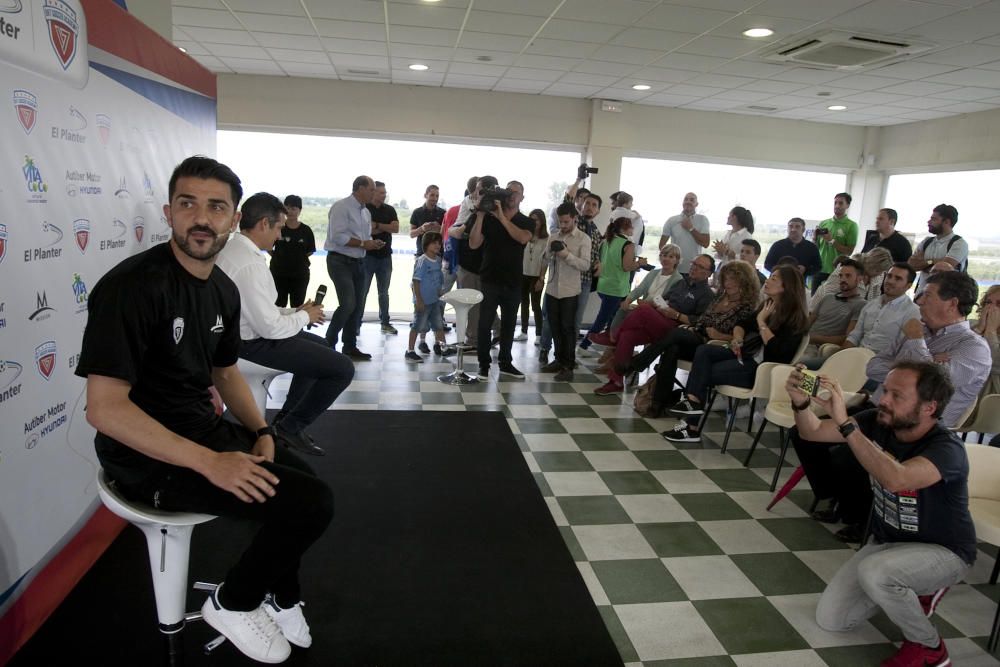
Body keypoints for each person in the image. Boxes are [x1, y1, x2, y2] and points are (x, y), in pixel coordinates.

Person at [76, 156, 333, 663]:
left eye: (216, 207)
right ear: (169, 212)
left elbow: (224, 372)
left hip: (201, 431)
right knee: (308, 504)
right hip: (143, 457)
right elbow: (104, 410)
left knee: (301, 485)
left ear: (234, 220)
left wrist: (261, 429)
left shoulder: (220, 288)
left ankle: (279, 596)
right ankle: (232, 602)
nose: (201, 218)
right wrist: (210, 462)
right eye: (188, 203)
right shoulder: (132, 287)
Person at [787, 360, 975, 667]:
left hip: (945, 551)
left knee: (877, 572)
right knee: (832, 619)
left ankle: (929, 648)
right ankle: (912, 589)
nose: (883, 400)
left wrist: (847, 424)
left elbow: (896, 478)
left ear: (929, 407)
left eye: (896, 395)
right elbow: (813, 432)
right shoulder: (878, 421)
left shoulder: (946, 449)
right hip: (888, 543)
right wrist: (801, 402)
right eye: (885, 390)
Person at [797, 270, 991, 542]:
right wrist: (928, 359)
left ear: (952, 303)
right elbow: (874, 365)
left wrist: (915, 343)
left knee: (846, 454)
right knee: (805, 433)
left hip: (918, 428)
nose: (920, 300)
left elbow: (929, 385)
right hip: (882, 412)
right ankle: (838, 496)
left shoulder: (972, 347)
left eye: (928, 294)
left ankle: (862, 516)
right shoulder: (919, 329)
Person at [217, 192, 355, 457]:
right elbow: (269, 328)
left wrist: (294, 310)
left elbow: (259, 308)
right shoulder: (249, 265)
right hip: (247, 344)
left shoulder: (237, 250)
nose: (280, 235)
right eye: (279, 227)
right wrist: (305, 317)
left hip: (246, 334)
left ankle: (283, 423)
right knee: (341, 369)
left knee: (323, 346)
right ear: (263, 225)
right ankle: (291, 426)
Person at [662, 264, 809, 443]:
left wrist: (762, 322)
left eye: (774, 278)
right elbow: (743, 324)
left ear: (786, 287)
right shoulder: (768, 305)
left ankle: (691, 425)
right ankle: (692, 408)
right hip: (747, 357)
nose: (768, 281)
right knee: (704, 351)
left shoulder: (795, 318)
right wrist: (737, 338)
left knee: (703, 371)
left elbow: (778, 354)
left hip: (761, 371)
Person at [607, 260, 759, 400]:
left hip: (712, 344)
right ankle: (658, 402)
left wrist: (720, 335)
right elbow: (702, 320)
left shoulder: (746, 307)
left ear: (744, 282)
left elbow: (744, 337)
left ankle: (639, 362)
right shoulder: (719, 298)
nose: (728, 283)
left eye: (733, 279)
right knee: (672, 347)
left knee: (673, 332)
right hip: (695, 334)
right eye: (726, 278)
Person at [598, 254, 715, 382]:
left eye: (700, 266)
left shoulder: (707, 294)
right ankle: (616, 381)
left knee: (643, 310)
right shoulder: (682, 282)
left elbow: (699, 322)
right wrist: (652, 304)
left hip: (676, 328)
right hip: (661, 319)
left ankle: (613, 338)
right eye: (694, 264)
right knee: (628, 335)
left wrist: (676, 315)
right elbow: (664, 298)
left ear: (708, 273)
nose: (694, 268)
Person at [469, 180, 534, 378]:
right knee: (484, 323)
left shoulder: (526, 221)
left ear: (522, 197)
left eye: (517, 192)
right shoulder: (488, 218)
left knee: (508, 324)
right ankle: (484, 365)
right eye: (509, 192)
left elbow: (522, 238)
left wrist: (502, 218)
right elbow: (473, 244)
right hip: (489, 278)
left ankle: (505, 363)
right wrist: (480, 215)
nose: (512, 195)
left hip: (513, 280)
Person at [324, 175, 383, 360]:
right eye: (372, 189)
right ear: (360, 188)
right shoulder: (341, 207)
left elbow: (363, 238)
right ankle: (328, 343)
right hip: (340, 261)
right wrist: (365, 244)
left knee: (357, 306)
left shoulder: (365, 212)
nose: (374, 193)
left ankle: (349, 347)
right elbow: (338, 237)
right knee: (348, 303)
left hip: (359, 262)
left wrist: (373, 243)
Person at [589, 243, 683, 346]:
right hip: (644, 306)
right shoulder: (653, 273)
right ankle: (613, 338)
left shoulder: (678, 279)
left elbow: (668, 301)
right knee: (623, 308)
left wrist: (648, 303)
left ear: (677, 260)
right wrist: (628, 300)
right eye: (664, 255)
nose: (666, 259)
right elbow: (639, 290)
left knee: (632, 316)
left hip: (660, 312)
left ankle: (613, 339)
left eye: (671, 257)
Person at [541, 202, 592, 382]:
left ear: (574, 219)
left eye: (566, 222)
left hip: (570, 291)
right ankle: (558, 360)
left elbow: (585, 265)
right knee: (554, 327)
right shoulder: (553, 236)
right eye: (560, 222)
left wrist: (565, 254)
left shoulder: (583, 239)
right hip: (552, 288)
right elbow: (546, 259)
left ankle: (568, 366)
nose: (562, 226)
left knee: (568, 329)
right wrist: (550, 251)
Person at [580, 217, 646, 351]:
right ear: (625, 228)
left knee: (613, 317)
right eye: (631, 227)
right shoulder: (628, 245)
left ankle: (610, 345)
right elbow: (626, 267)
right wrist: (640, 263)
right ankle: (584, 346)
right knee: (603, 319)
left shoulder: (606, 242)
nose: (633, 229)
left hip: (603, 286)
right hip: (616, 288)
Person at [405, 232, 455, 362]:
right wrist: (419, 300)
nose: (438, 245)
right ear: (426, 244)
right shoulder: (422, 261)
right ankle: (410, 350)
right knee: (417, 325)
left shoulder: (438, 260)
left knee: (438, 325)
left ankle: (443, 347)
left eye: (439, 243)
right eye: (434, 243)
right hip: (423, 301)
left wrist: (439, 291)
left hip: (434, 300)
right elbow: (416, 281)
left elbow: (438, 278)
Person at [803, 257, 866, 358]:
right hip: (805, 342)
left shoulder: (860, 305)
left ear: (859, 279)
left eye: (848, 276)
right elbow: (808, 322)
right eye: (840, 276)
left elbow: (847, 338)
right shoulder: (828, 297)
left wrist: (813, 338)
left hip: (822, 349)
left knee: (793, 363)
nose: (843, 279)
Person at [363, 181, 399, 335]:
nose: (384, 195)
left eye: (385, 192)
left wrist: (377, 225)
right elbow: (366, 230)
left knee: (384, 292)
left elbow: (395, 228)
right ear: (373, 192)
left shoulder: (389, 209)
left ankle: (385, 322)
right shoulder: (364, 209)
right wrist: (384, 227)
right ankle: (356, 323)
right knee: (362, 291)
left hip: (385, 257)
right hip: (367, 257)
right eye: (381, 192)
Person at [268, 194, 315, 308]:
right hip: (278, 274)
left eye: (293, 208)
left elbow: (310, 250)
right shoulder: (278, 227)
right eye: (287, 208)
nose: (290, 211)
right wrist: (277, 256)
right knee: (278, 306)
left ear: (299, 210)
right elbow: (268, 246)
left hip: (300, 276)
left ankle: (298, 326)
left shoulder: (306, 230)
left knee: (297, 307)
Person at [909, 204, 967, 292]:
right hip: (921, 294)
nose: (929, 222)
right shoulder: (926, 241)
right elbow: (911, 265)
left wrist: (923, 264)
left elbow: (943, 271)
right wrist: (932, 261)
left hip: (945, 297)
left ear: (947, 222)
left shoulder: (959, 243)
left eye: (934, 219)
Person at [967, 285, 1000, 433]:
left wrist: (991, 331)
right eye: (988, 302)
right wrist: (980, 329)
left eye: (999, 304)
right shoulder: (971, 325)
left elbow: (992, 362)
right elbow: (962, 353)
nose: (992, 308)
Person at [814, 193, 858, 294]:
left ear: (847, 205)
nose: (837, 206)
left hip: (837, 271)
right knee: (814, 302)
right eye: (835, 203)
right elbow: (817, 248)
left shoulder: (852, 226)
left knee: (831, 302)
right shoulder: (824, 223)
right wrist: (814, 238)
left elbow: (849, 251)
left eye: (841, 203)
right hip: (819, 269)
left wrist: (831, 240)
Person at [515, 208, 548, 344]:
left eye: (537, 220)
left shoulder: (546, 239)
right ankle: (523, 331)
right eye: (532, 219)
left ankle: (539, 334)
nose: (534, 222)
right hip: (523, 274)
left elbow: (546, 260)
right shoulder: (525, 235)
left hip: (536, 276)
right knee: (523, 304)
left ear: (542, 222)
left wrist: (541, 278)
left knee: (535, 306)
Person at [660, 192, 710, 275]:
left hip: (693, 270)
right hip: (674, 270)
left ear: (696, 204)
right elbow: (662, 246)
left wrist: (691, 228)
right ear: (682, 203)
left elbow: (705, 243)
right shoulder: (671, 220)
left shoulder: (703, 220)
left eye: (692, 200)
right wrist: (668, 262)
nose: (688, 201)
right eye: (686, 199)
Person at [712, 205, 754, 274]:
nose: (727, 217)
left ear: (735, 217)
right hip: (724, 270)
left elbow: (748, 259)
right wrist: (719, 251)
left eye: (729, 215)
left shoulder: (747, 236)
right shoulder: (728, 233)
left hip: (737, 272)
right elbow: (722, 256)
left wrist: (729, 252)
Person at [409, 184, 445, 256]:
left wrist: (440, 229)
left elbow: (447, 236)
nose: (435, 198)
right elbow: (411, 234)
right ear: (425, 195)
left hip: (438, 255)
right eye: (432, 195)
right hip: (421, 254)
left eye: (437, 196)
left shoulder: (443, 213)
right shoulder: (417, 212)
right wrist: (422, 228)